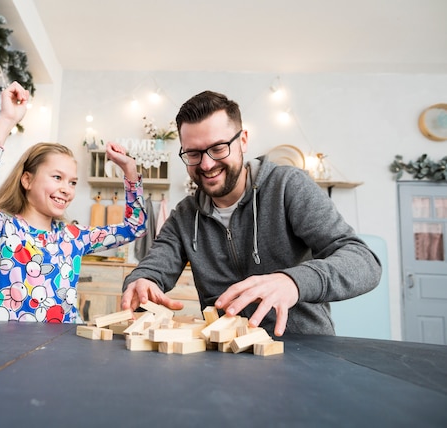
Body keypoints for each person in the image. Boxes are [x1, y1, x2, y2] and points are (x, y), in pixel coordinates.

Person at [121, 90, 382, 337]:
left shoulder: (287, 186)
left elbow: (364, 262)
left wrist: (292, 281)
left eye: (219, 148)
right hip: (225, 358)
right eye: (193, 153)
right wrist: (141, 282)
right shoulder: (185, 216)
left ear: (243, 140)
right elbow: (152, 268)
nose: (207, 164)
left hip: (304, 351)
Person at [0, 81, 146, 322]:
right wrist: (6, 120)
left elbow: (135, 226)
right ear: (27, 180)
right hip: (13, 352)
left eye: (73, 182)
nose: (66, 189)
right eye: (57, 177)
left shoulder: (74, 238)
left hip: (65, 351)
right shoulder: (0, 230)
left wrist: (129, 168)